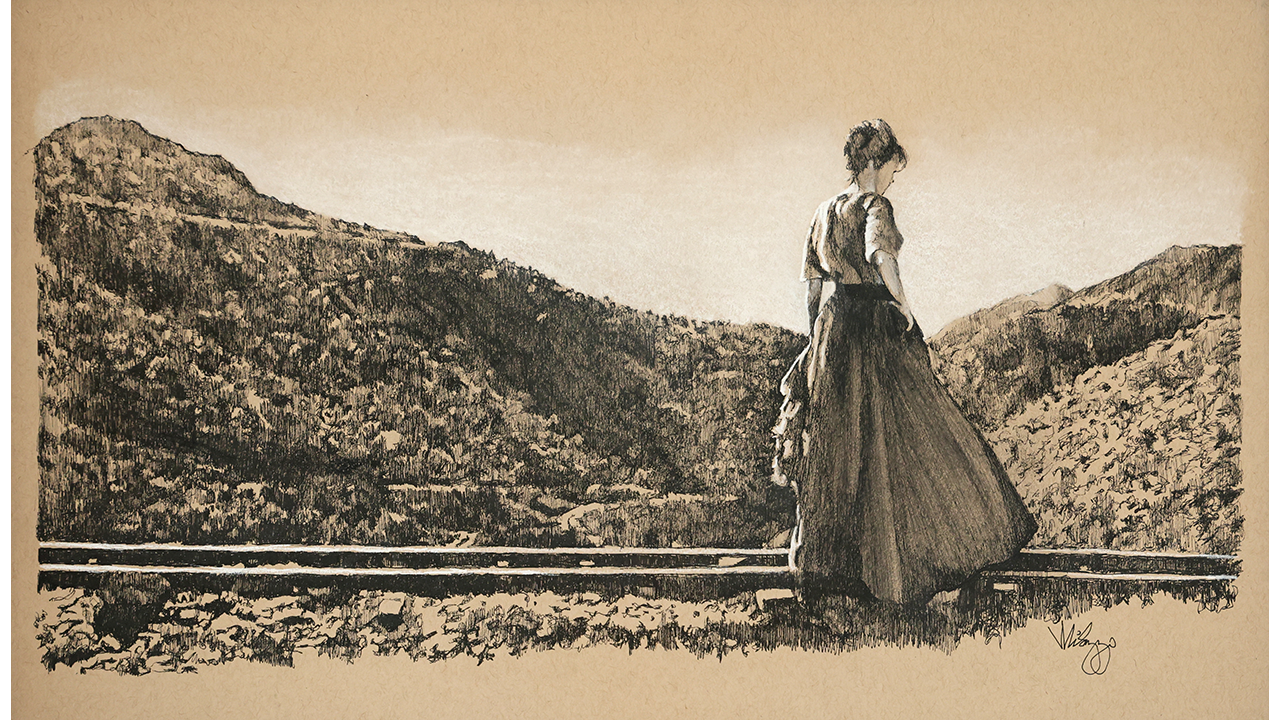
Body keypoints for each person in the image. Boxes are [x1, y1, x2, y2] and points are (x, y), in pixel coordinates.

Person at [771, 120, 1037, 605]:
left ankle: (835, 570)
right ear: (876, 162)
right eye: (893, 166)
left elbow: (811, 286)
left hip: (833, 329)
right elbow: (881, 256)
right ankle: (907, 566)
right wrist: (905, 306)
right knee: (906, 433)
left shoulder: (822, 212)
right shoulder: (875, 206)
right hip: (872, 323)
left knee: (839, 444)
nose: (894, 176)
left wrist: (818, 335)